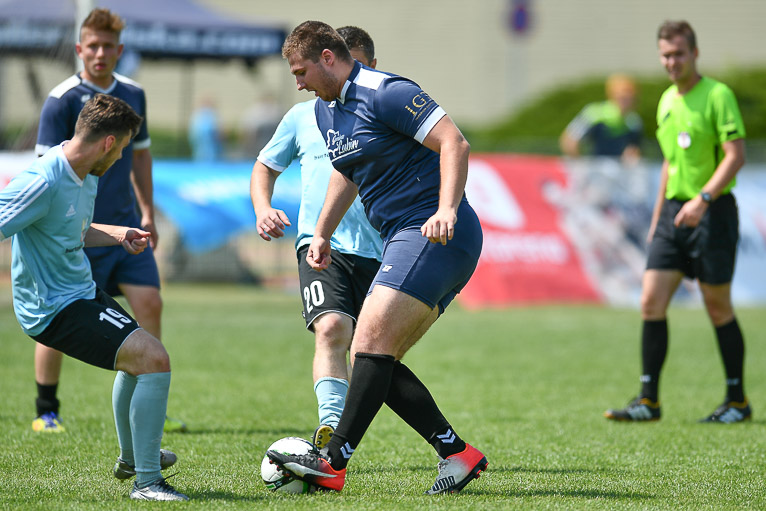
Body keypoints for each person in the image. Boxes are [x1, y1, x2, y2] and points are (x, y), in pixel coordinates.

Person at [266, 21, 487, 494]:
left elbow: (454, 142)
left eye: (301, 72)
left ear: (328, 58)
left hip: (433, 231)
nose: (298, 83)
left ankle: (332, 463)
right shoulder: (326, 110)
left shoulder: (386, 92)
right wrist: (321, 232)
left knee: (367, 342)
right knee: (375, 355)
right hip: (404, 237)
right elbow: (346, 172)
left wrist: (447, 209)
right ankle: (457, 454)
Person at [1, 94, 188, 501]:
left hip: (81, 292)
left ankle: (133, 459)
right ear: (108, 143)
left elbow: (70, 228)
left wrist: (118, 235)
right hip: (53, 307)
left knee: (141, 360)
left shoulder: (85, 171)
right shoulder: (43, 180)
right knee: (154, 359)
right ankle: (147, 482)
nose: (120, 158)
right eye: (121, 149)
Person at [34, 8, 186, 434]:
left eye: (107, 46)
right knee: (58, 320)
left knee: (151, 304)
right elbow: (44, 173)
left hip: (127, 228)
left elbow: (141, 156)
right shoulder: (61, 100)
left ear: (120, 51)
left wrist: (148, 211)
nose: (100, 53)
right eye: (92, 46)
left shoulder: (134, 94)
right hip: (79, 235)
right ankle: (46, 410)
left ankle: (150, 404)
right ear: (79, 49)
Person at [605, 21, 749, 423]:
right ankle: (648, 400)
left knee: (717, 306)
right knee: (650, 301)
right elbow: (670, 162)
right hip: (672, 213)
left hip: (713, 211)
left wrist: (704, 200)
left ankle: (737, 400)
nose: (672, 62)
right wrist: (657, 220)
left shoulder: (718, 95)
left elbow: (735, 155)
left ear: (694, 54)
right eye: (665, 55)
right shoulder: (667, 100)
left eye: (678, 54)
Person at [250, 26, 382, 451]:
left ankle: (446, 444)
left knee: (377, 354)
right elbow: (264, 166)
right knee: (331, 328)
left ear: (372, 67)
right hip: (320, 246)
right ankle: (330, 429)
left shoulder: (386, 110)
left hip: (383, 250)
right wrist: (263, 208)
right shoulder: (302, 116)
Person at [560, 73, 643, 163]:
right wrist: (580, 165)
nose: (627, 97)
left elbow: (634, 149)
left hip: (620, 170)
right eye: (623, 93)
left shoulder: (634, 120)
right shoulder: (594, 113)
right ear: (611, 94)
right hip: (596, 169)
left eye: (630, 93)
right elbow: (569, 141)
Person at [188, 96, 223, 161]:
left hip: (210, 139)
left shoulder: (212, 114)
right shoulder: (198, 114)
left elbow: (217, 128)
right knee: (201, 154)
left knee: (209, 154)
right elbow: (194, 130)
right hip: (201, 138)